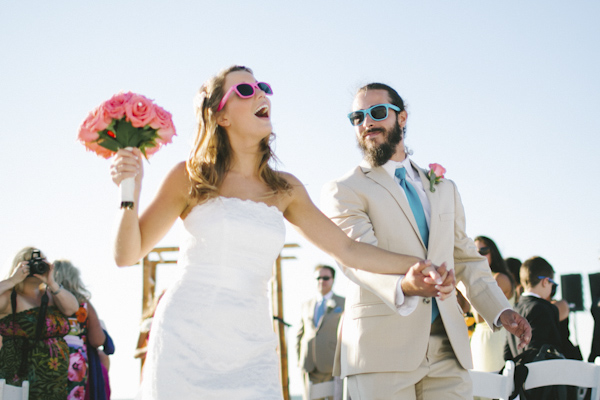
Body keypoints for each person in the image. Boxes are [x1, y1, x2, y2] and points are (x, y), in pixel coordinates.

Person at [110, 65, 454, 399]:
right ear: (221, 116)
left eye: (263, 87)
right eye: (245, 90)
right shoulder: (191, 177)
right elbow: (127, 255)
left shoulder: (284, 188)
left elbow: (348, 250)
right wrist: (131, 191)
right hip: (187, 335)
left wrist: (417, 263)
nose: (260, 93)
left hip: (252, 340)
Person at [321, 83, 531, 400]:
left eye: (377, 112)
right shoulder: (344, 189)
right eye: (357, 117)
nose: (366, 123)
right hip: (381, 350)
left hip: (449, 349)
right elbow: (358, 258)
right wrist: (406, 285)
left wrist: (500, 310)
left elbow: (465, 259)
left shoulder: (444, 188)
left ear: (402, 117)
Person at [0, 247, 79, 400]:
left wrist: (52, 283)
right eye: (30, 262)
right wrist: (12, 280)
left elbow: (72, 308)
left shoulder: (51, 295)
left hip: (54, 385)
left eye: (42, 261)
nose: (37, 265)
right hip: (20, 383)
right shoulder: (9, 297)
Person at [505, 256, 565, 400]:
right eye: (552, 285)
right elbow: (549, 348)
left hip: (519, 387)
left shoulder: (513, 309)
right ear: (545, 282)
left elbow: (506, 353)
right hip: (543, 388)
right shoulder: (545, 308)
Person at [53, 259, 110, 400]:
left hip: (49, 354)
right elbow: (97, 340)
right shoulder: (83, 304)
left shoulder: (45, 300)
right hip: (75, 359)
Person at [296, 265, 345, 400]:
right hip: (309, 366)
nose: (321, 281)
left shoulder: (343, 302)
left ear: (332, 280)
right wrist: (300, 360)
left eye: (325, 278)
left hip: (332, 365)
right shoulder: (306, 305)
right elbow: (299, 335)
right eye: (318, 278)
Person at [470, 236, 517, 375]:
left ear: (493, 252)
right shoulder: (478, 278)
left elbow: (480, 316)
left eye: (484, 250)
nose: (479, 254)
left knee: (491, 388)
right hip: (479, 337)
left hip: (494, 338)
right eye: (474, 250)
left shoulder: (499, 278)